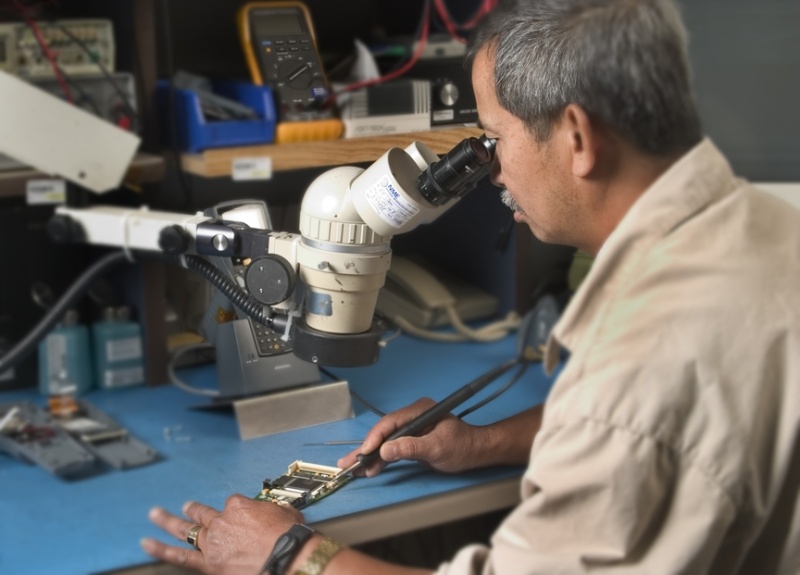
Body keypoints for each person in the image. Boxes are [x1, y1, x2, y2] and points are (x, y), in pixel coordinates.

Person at [142, 0, 800, 573]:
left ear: (576, 137)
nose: (492, 172)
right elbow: (678, 429)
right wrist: (485, 442)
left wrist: (287, 556)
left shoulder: (645, 356)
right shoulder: (769, 231)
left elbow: (638, 413)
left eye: (494, 138)